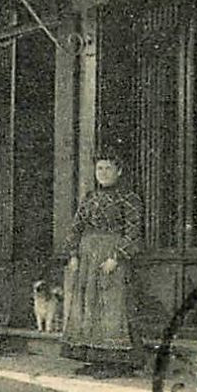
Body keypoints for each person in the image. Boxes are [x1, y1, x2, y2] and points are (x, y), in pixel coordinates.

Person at [62, 150, 144, 376]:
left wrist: (116, 258)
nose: (103, 173)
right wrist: (73, 255)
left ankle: (117, 363)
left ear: (119, 171)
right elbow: (76, 227)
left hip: (112, 260)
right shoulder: (90, 198)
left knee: (112, 306)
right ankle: (95, 358)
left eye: (108, 168)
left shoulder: (129, 198)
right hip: (88, 260)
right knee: (89, 305)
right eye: (100, 168)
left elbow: (133, 232)